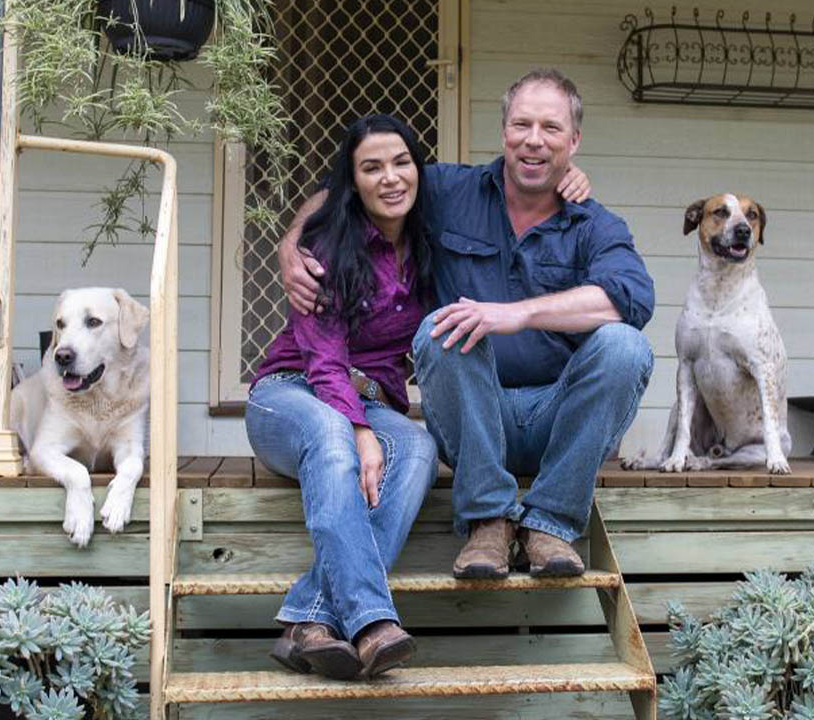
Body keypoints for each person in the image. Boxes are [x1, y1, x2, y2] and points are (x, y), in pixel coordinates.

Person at [280, 69, 654, 582]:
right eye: (522, 124)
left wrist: (515, 313)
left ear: (574, 141)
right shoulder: (451, 192)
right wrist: (291, 242)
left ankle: (550, 524)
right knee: (442, 325)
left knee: (625, 346)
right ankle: (488, 521)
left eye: (551, 128)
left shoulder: (595, 224)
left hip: (558, 420)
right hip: (473, 419)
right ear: (504, 132)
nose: (534, 140)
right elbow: (350, 188)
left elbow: (631, 297)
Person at [246, 114, 436, 680]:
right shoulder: (326, 246)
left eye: (401, 163)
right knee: (334, 438)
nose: (391, 178)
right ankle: (372, 623)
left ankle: (310, 619)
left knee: (419, 450)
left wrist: (571, 177)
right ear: (352, 182)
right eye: (371, 167)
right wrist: (359, 433)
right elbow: (324, 360)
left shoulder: (430, 245)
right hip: (290, 394)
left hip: (372, 402)